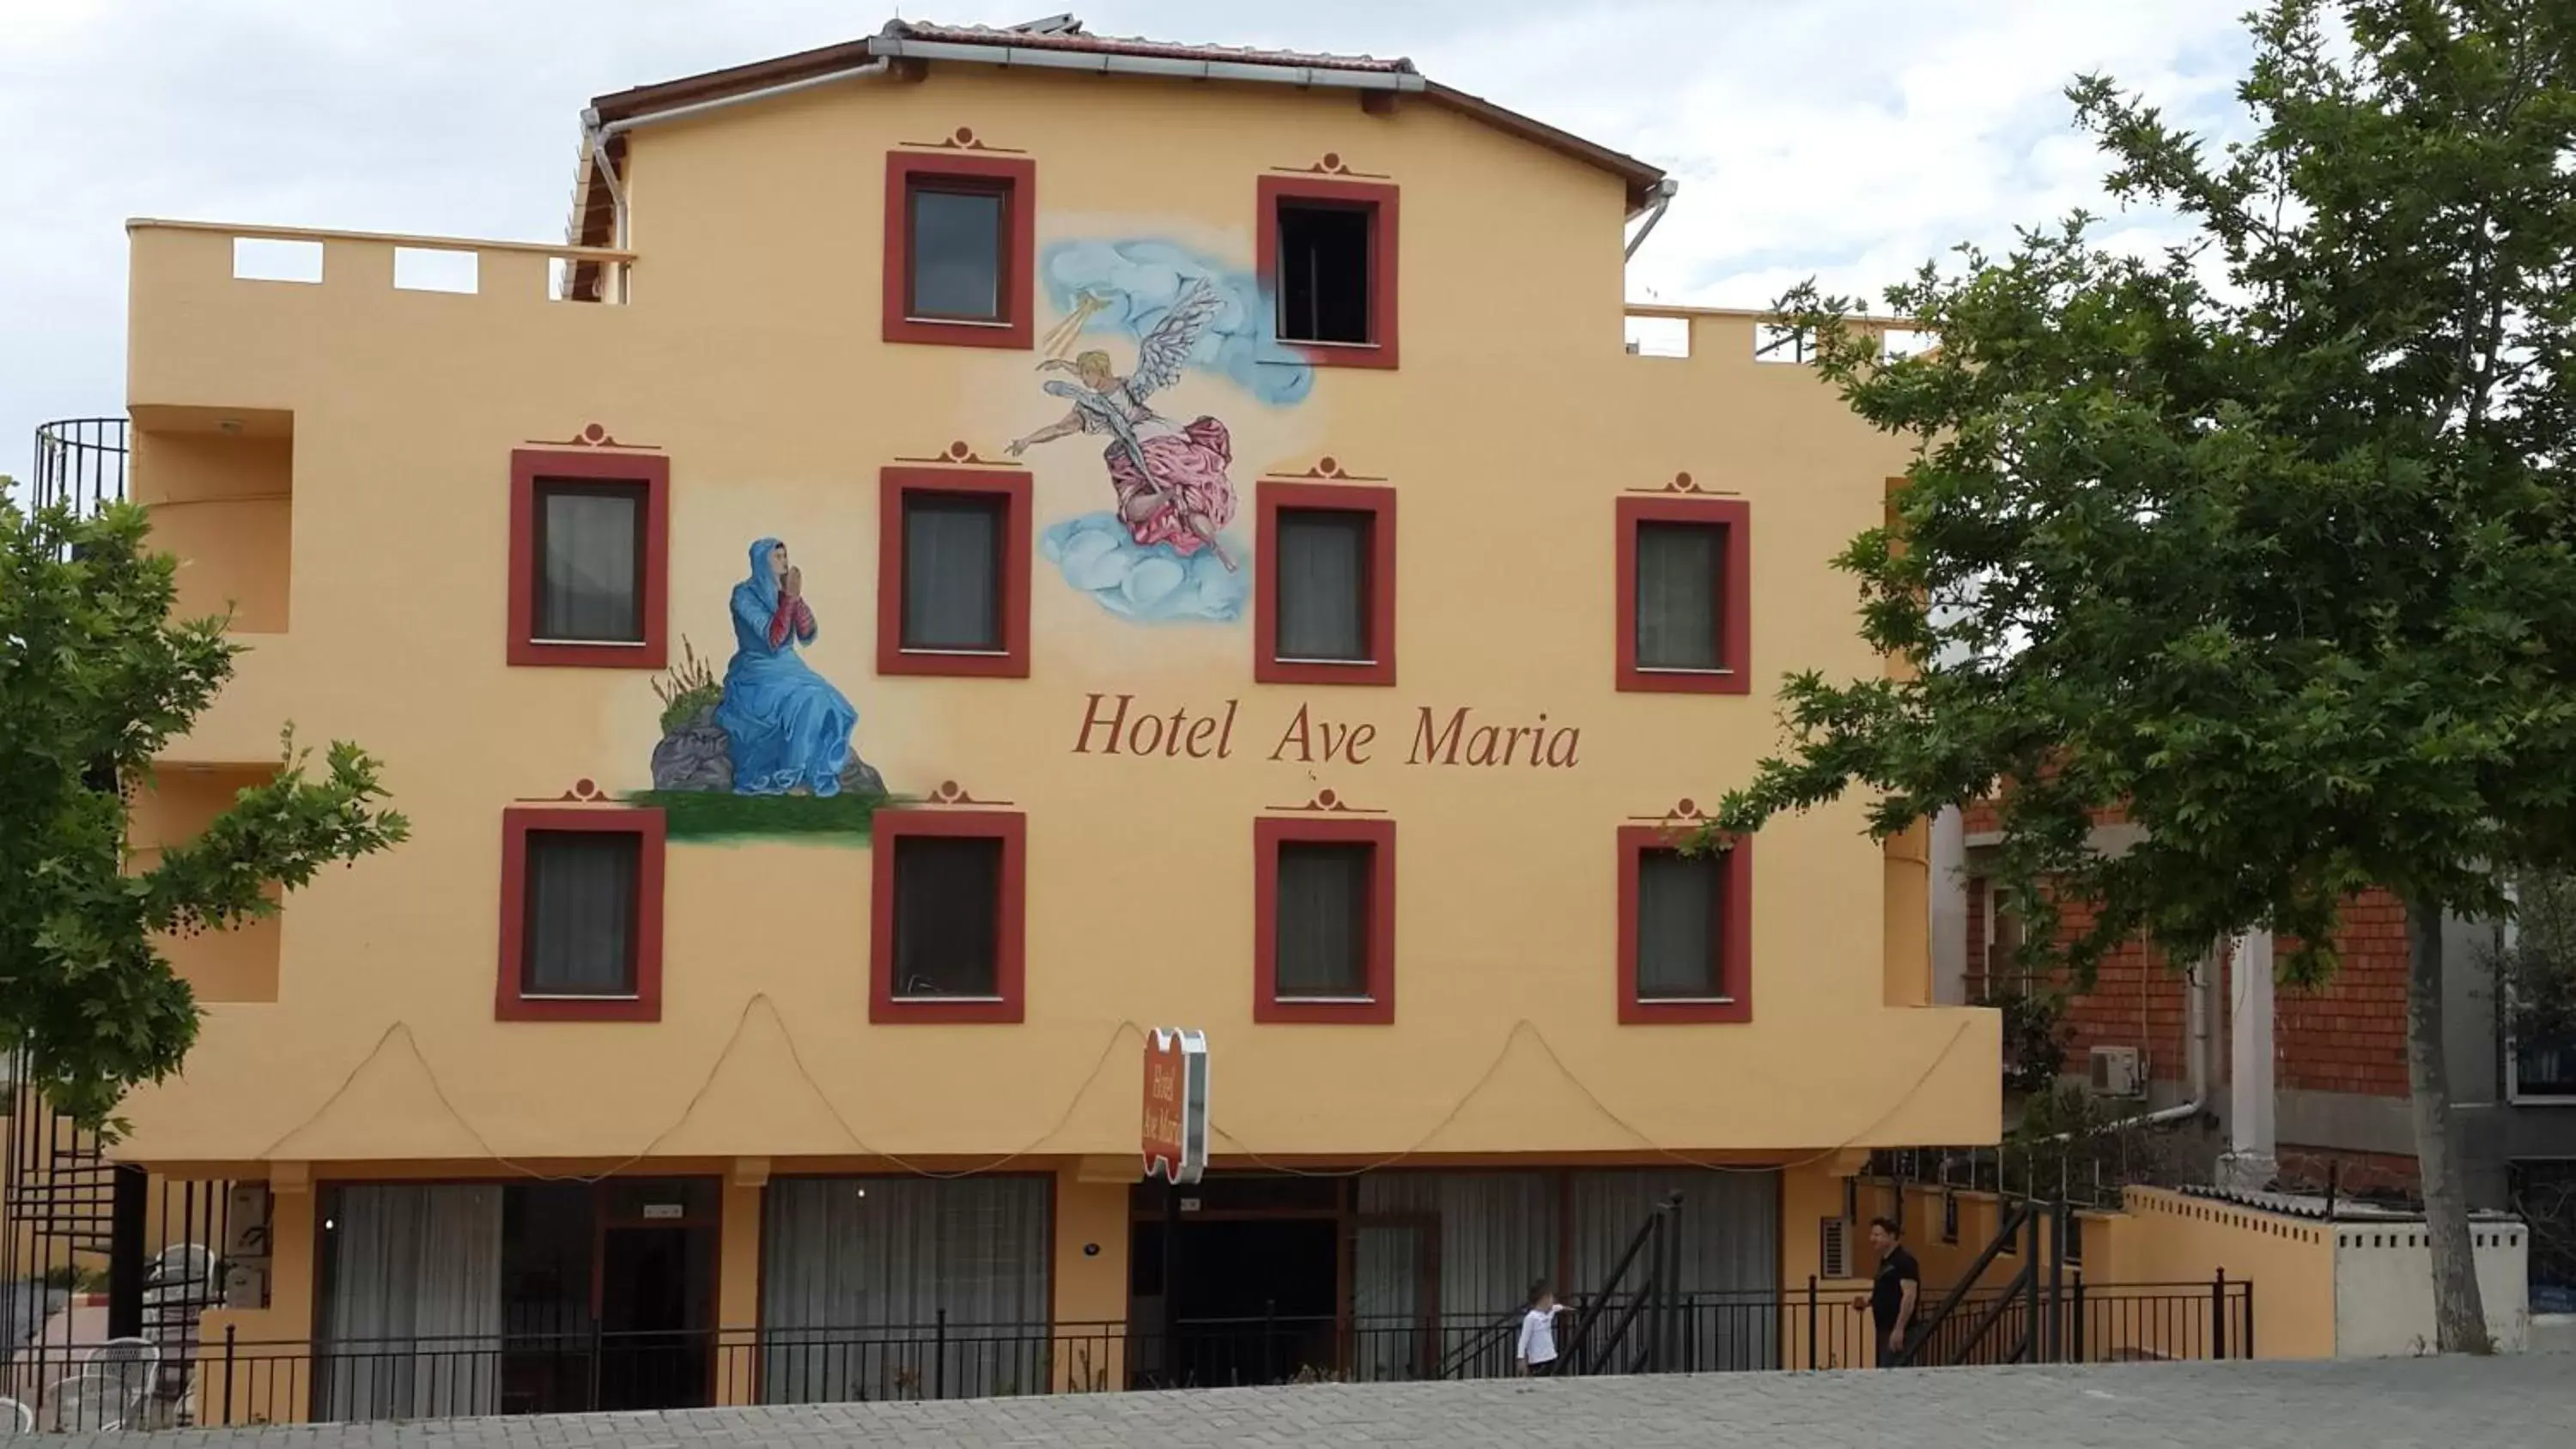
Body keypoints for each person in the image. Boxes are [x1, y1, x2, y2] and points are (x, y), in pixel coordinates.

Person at [714, 538, 859, 796]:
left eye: (785, 555)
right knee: (804, 700)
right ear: (762, 561)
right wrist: (790, 600)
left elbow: (807, 634)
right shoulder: (743, 594)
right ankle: (789, 777)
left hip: (789, 666)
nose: (784, 561)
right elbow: (773, 640)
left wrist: (794, 599)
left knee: (828, 700)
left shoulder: (784, 593)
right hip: (757, 670)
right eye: (777, 556)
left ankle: (811, 773)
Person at [1849, 1216, 1920, 1367]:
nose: (1872, 1239)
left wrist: (1899, 1329)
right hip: (1883, 1328)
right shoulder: (1886, 1262)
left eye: (1878, 1235)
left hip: (1898, 1330)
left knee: (1894, 1375)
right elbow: (1889, 1292)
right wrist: (1868, 1302)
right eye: (1872, 1235)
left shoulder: (1904, 1261)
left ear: (1892, 1236)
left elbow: (1909, 1296)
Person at [1516, 1279, 1563, 1377]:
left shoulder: (1547, 1314)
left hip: (1551, 1357)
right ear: (1544, 1299)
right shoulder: (1531, 1318)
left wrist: (1557, 1308)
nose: (1552, 1300)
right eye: (1550, 1297)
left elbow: (1553, 1310)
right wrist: (1521, 1358)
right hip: (1538, 1361)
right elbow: (1523, 1340)